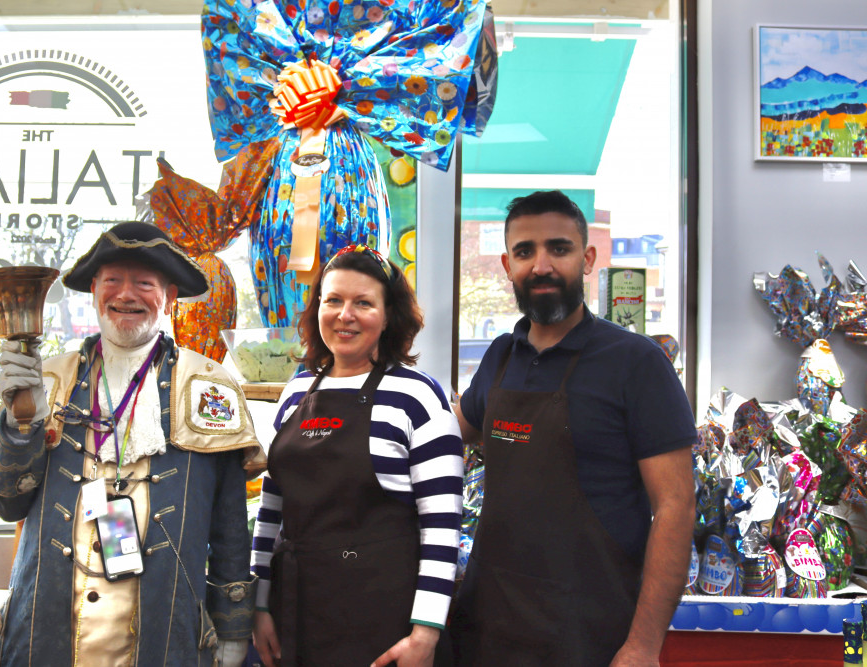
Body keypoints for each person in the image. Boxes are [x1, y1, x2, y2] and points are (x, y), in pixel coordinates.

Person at [0, 222, 266, 666]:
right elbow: (7, 504)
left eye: (144, 283)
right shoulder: (48, 380)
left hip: (165, 641)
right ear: (94, 290)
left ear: (168, 297)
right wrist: (17, 422)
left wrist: (232, 628)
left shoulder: (210, 389)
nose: (126, 295)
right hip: (43, 636)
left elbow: (228, 529)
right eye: (113, 280)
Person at [447, 191, 696, 666]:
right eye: (524, 252)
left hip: (589, 630)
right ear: (507, 264)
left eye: (558, 249)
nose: (541, 265)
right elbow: (453, 431)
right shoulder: (500, 355)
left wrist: (643, 646)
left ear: (587, 259)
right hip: (490, 624)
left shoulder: (636, 362)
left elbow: (676, 507)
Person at [250, 244, 464, 667]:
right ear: (317, 310)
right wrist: (259, 605)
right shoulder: (296, 392)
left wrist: (426, 633)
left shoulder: (417, 396)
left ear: (388, 317)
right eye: (333, 300)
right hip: (296, 607)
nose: (345, 315)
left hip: (384, 619)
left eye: (363, 303)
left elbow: (442, 526)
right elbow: (271, 509)